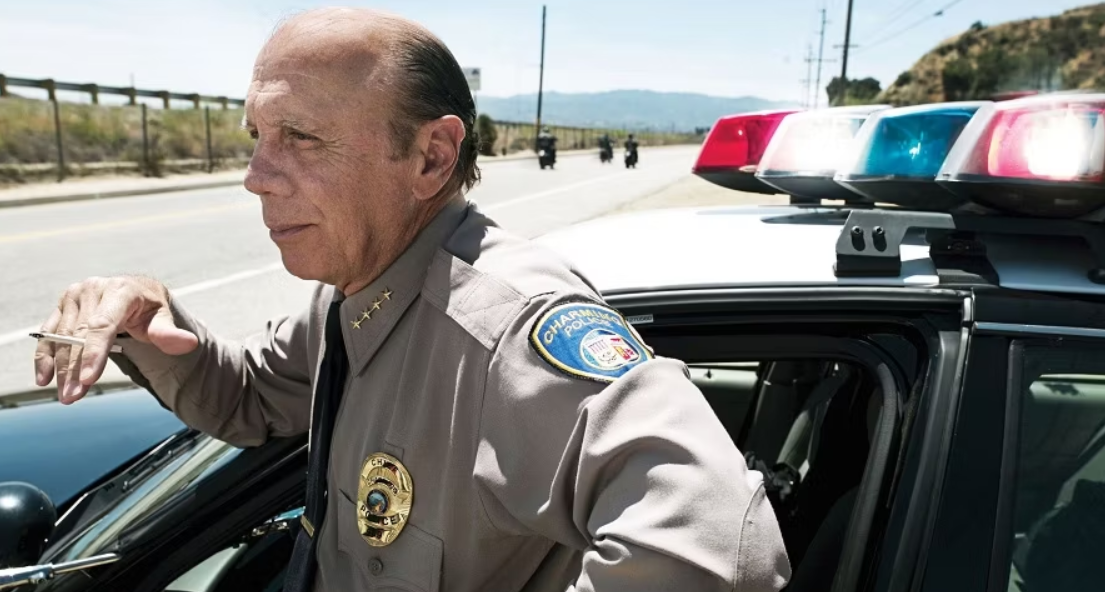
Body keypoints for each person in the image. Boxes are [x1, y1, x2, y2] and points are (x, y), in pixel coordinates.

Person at [32, 8, 790, 592]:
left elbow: (724, 549)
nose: (256, 175)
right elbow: (253, 398)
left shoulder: (504, 331)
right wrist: (152, 316)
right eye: (257, 134)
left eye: (300, 136)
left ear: (430, 157)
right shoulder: (356, 291)